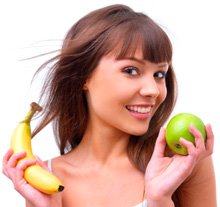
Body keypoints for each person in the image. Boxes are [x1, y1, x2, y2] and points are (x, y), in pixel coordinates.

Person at [2, 4, 216, 207]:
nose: (153, 89)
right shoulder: (46, 180)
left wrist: (160, 201)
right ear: (84, 76)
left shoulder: (182, 161)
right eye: (131, 70)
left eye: (159, 74)